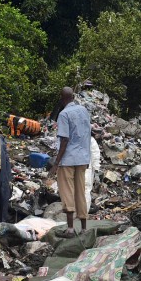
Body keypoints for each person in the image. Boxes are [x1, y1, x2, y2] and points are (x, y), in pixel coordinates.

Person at [50, 87, 91, 237]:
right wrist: (87, 159)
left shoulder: (64, 114)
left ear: (62, 98)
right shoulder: (84, 111)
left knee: (67, 192)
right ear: (73, 96)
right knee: (80, 191)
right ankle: (85, 228)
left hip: (68, 159)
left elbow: (65, 139)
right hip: (82, 158)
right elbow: (88, 135)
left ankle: (70, 229)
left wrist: (56, 163)